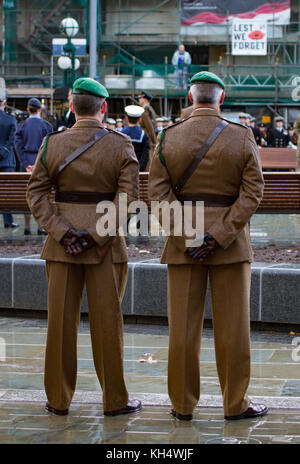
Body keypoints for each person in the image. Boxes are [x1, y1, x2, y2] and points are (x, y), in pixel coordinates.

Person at [149, 71, 267, 421]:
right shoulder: (241, 136)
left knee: (182, 330)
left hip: (184, 247)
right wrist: (220, 234)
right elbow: (253, 191)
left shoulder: (168, 137)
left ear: (189, 97)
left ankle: (183, 405)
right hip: (229, 248)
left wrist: (189, 235)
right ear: (222, 97)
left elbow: (157, 193)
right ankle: (235, 404)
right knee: (234, 330)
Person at [26, 77, 141, 417]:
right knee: (108, 326)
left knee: (60, 326)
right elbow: (128, 197)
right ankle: (115, 400)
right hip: (105, 248)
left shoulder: (52, 143)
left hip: (61, 247)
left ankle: (58, 400)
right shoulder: (121, 145)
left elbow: (35, 194)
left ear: (72, 107)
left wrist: (62, 231)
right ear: (104, 107)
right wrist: (98, 233)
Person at [15, 97, 53, 235]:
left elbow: (18, 146)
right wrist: (38, 164)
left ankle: (26, 226)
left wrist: (25, 164)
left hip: (25, 163)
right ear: (39, 110)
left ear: (27, 109)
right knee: (42, 194)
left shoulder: (22, 126)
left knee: (27, 195)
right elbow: (49, 148)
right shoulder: (46, 126)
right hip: (41, 163)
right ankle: (40, 226)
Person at [0, 90, 19, 229]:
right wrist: (3, 152)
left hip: (5, 157)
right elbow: (12, 140)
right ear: (4, 103)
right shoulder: (10, 119)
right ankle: (8, 220)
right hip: (6, 160)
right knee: (7, 192)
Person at [121, 105, 150, 171]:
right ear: (140, 120)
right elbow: (146, 154)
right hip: (138, 169)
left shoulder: (120, 133)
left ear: (126, 119)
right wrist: (141, 168)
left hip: (123, 169)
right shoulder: (143, 134)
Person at [138, 90, 157, 163]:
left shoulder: (144, 110)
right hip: (150, 139)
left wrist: (154, 141)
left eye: (140, 98)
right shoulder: (150, 108)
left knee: (148, 162)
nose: (139, 100)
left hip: (147, 139)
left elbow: (150, 127)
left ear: (144, 99)